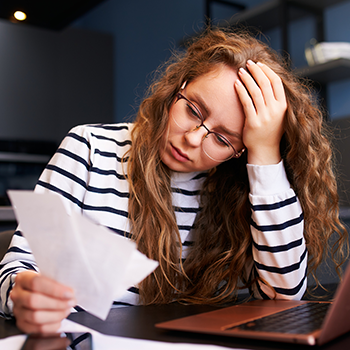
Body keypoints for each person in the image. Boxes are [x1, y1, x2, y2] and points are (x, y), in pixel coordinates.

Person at [0, 27, 348, 334]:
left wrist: (266, 155)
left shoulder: (232, 189)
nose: (194, 139)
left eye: (223, 140)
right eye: (193, 110)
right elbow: (14, 271)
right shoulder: (89, 148)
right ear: (177, 89)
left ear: (238, 153)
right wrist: (23, 294)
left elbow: (282, 296)